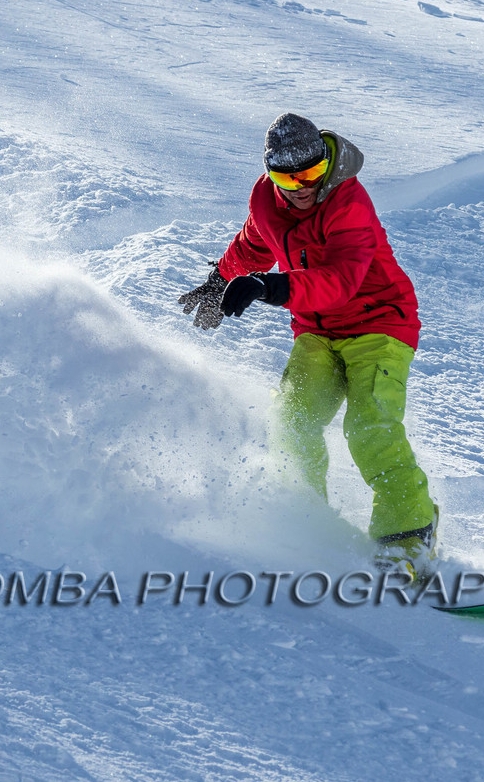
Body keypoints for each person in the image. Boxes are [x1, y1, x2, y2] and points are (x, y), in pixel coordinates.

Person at [178, 113, 439, 579]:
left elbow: (339, 283)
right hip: (317, 330)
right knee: (293, 421)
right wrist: (219, 280)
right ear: (270, 173)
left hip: (380, 324)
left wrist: (269, 288)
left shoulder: (349, 204)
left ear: (326, 164)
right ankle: (304, 523)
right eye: (286, 177)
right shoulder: (267, 199)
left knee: (369, 427)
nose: (300, 187)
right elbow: (256, 240)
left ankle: (409, 535)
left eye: (312, 175)